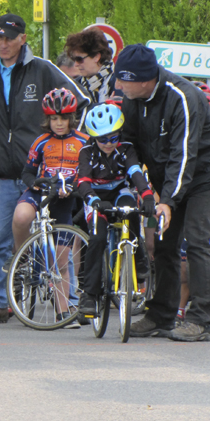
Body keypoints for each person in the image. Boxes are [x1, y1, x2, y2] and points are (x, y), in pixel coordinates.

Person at [0, 13, 90, 325]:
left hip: (41, 173)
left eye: (8, 38)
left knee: (57, 236)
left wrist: (65, 150)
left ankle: (66, 304)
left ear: (22, 39)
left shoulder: (41, 68)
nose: (2, 44)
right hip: (1, 171)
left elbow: (79, 102)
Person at [115, 43, 210, 342]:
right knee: (163, 243)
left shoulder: (182, 96)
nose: (118, 85)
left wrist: (167, 201)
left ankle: (202, 319)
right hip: (168, 178)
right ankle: (160, 315)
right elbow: (127, 144)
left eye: (123, 79)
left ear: (144, 79)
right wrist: (144, 187)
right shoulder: (130, 98)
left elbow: (184, 155)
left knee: (197, 238)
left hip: (204, 174)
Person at [10, 88, 88, 327]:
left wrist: (73, 188)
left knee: (61, 263)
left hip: (64, 200)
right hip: (39, 193)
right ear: (48, 120)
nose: (59, 123)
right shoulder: (42, 142)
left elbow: (87, 174)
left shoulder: (83, 142)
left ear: (71, 118)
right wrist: (35, 183)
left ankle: (63, 313)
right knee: (21, 216)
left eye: (63, 118)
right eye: (54, 119)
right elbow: (27, 172)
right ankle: (21, 256)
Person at [72, 103, 153, 317]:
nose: (109, 143)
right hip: (95, 195)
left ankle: (138, 260)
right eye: (102, 139)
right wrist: (94, 200)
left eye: (113, 137)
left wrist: (146, 195)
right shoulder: (87, 152)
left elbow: (136, 173)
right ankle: (89, 294)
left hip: (119, 190)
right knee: (97, 238)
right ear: (93, 137)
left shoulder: (126, 148)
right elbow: (82, 182)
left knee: (130, 208)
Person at [64, 28, 121, 103]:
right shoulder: (75, 86)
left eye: (79, 59)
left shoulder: (119, 83)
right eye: (74, 59)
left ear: (96, 57)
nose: (76, 64)